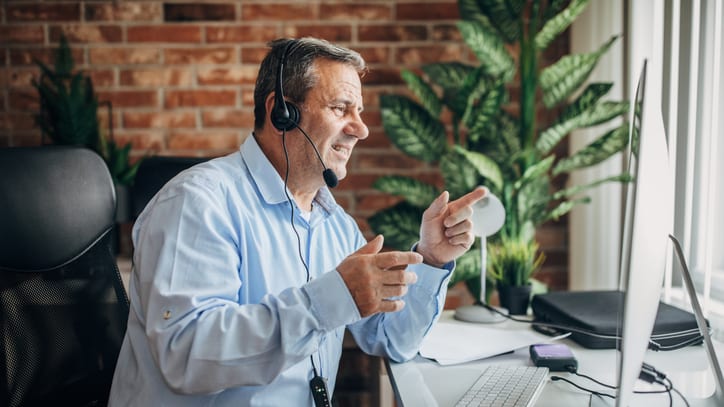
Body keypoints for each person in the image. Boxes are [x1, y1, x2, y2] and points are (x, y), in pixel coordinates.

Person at [109, 37, 486, 406]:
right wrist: (330, 299)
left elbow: (392, 340)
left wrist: (433, 258)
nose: (361, 128)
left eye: (360, 112)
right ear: (282, 114)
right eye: (341, 108)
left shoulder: (335, 225)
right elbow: (186, 356)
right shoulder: (196, 203)